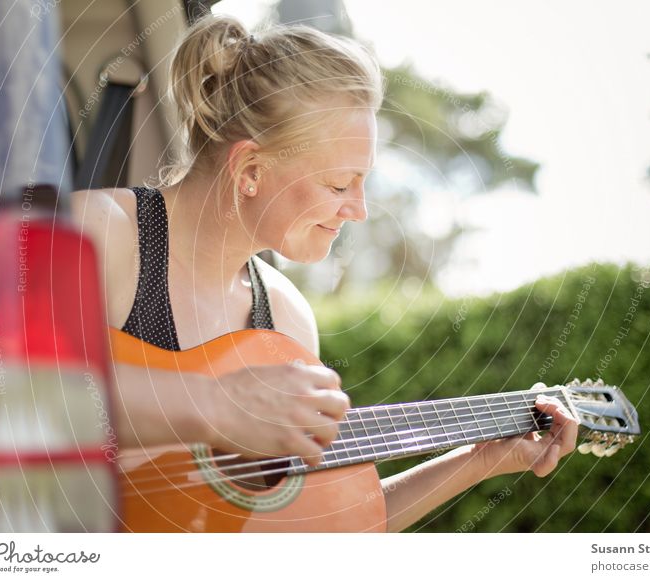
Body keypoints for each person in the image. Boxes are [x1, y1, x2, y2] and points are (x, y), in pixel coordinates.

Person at [71, 13, 577, 532]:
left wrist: (481, 459)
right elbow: (0, 396)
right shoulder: (98, 235)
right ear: (250, 171)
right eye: (339, 184)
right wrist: (214, 406)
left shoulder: (285, 319)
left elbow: (317, 528)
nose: (358, 209)